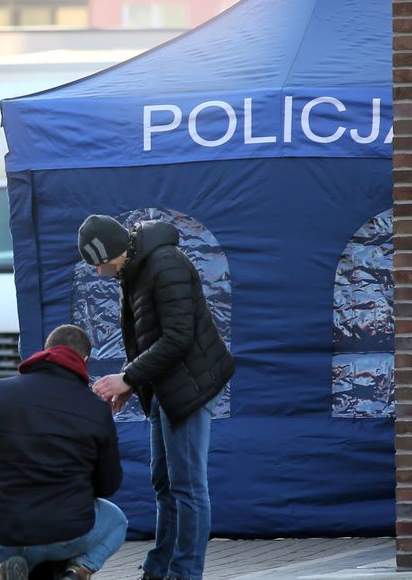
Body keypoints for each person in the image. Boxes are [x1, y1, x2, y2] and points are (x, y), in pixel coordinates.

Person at [81, 215, 235, 580]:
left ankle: (185, 572)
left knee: (188, 486)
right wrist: (131, 383)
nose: (102, 273)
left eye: (101, 265)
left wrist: (128, 378)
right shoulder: (134, 269)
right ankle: (161, 565)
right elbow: (144, 337)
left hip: (189, 387)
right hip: (163, 387)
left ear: (111, 251)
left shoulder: (165, 264)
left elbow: (178, 337)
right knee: (164, 483)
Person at [0, 325, 127, 580]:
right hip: (69, 531)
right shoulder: (96, 409)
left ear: (46, 352)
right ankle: (77, 570)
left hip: (8, 530)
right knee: (116, 520)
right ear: (84, 361)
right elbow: (108, 485)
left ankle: (0, 575)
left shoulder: (1, 392)